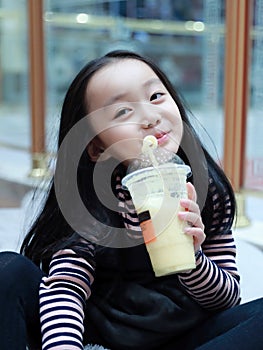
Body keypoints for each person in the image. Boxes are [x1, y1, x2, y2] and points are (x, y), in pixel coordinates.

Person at [0, 50, 262, 350]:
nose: (149, 118)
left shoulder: (208, 191)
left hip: (186, 338)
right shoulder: (88, 204)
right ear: (97, 147)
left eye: (155, 97)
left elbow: (226, 300)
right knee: (9, 270)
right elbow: (65, 292)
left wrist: (194, 259)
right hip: (102, 340)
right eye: (123, 112)